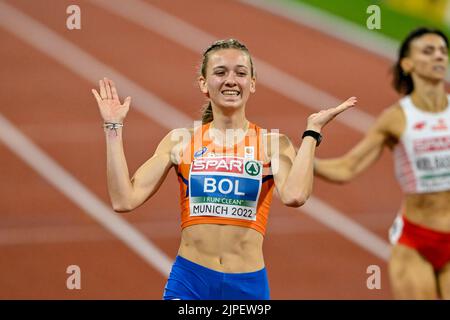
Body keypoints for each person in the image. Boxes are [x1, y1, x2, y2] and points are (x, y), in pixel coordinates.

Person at [92, 39, 356, 300]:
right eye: (220, 72)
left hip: (247, 286)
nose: (231, 80)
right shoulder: (181, 140)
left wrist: (312, 132)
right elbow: (123, 199)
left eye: (241, 73)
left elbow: (295, 195)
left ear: (252, 83)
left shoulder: (273, 143)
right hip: (189, 282)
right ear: (204, 84)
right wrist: (113, 128)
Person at [314, 27, 450, 300]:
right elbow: (347, 168)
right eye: (428, 51)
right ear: (407, 64)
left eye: (443, 51)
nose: (439, 57)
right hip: (416, 242)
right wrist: (299, 159)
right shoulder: (396, 118)